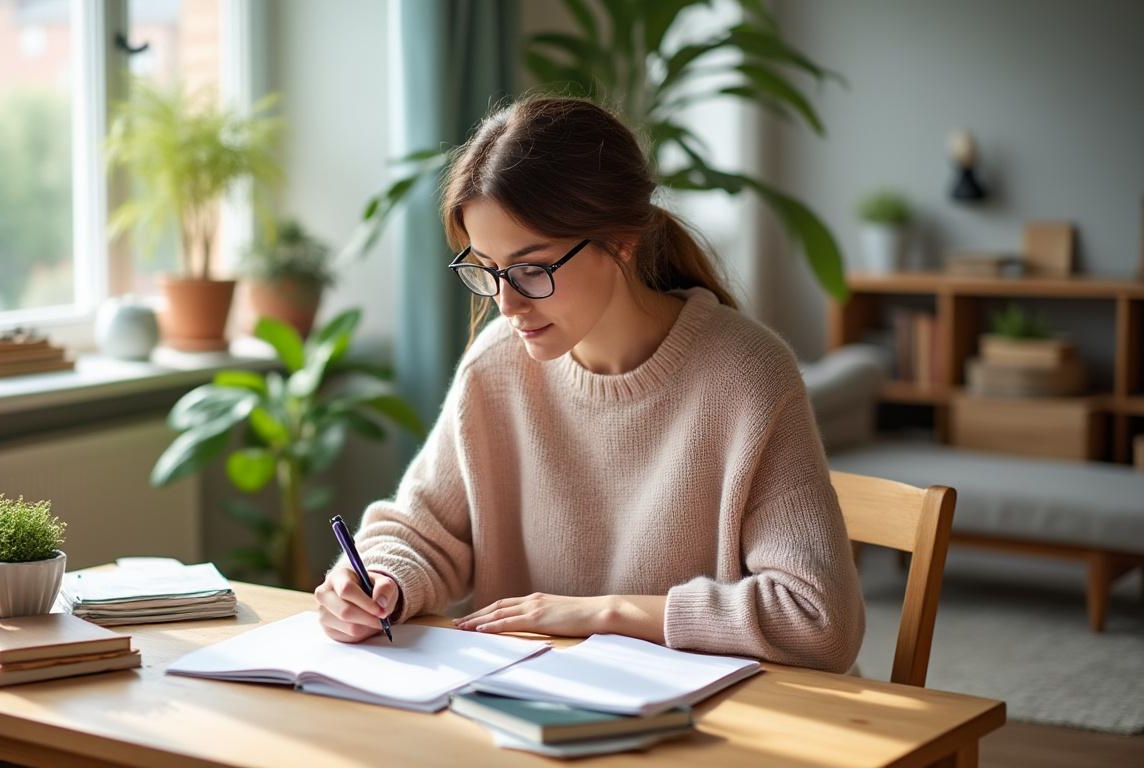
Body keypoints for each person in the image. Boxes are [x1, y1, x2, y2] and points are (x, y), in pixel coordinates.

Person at [314, 96, 864, 673]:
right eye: (488, 269)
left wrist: (610, 613)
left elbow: (819, 620)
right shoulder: (497, 365)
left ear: (620, 242)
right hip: (529, 707)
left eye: (533, 268)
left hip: (712, 727)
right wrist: (379, 578)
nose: (508, 302)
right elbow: (425, 533)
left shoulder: (747, 376)